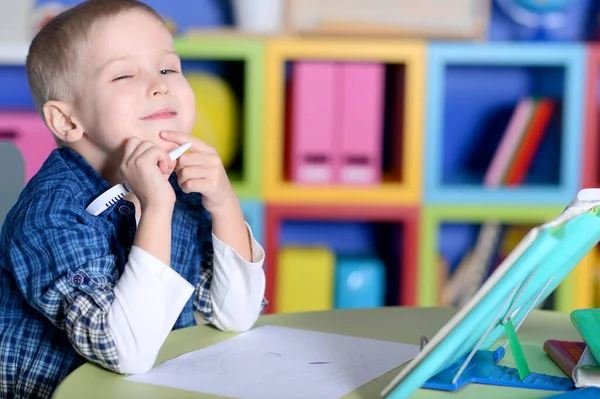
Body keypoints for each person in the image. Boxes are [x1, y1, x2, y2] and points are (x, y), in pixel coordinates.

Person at [0, 1, 267, 398]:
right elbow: (124, 349)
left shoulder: (176, 185)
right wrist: (156, 209)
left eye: (168, 68)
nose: (160, 85)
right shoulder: (51, 214)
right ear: (68, 121)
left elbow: (235, 316)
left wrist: (224, 206)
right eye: (124, 74)